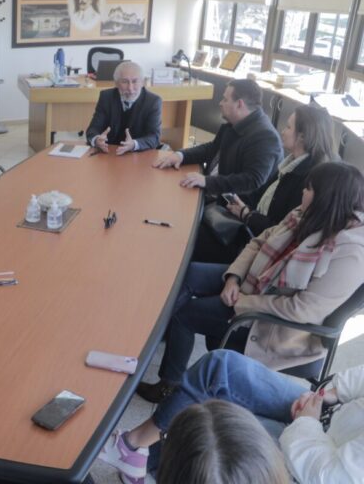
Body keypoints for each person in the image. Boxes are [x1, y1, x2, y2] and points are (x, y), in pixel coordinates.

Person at [136, 162, 364, 403]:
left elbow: (302, 309)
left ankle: (168, 386)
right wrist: (233, 278)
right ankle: (152, 336)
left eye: (309, 189)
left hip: (276, 326)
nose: (303, 192)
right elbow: (259, 242)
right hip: (255, 282)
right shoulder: (308, 214)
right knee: (189, 273)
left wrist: (243, 302)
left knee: (184, 314)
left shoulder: (350, 253)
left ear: (327, 198)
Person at [99, 350, 361, 484]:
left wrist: (308, 421)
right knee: (220, 366)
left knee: (209, 433)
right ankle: (134, 449)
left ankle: (148, 460)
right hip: (327, 416)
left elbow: (331, 476)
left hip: (312, 463)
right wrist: (328, 394)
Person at [193, 104, 337, 263]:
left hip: (258, 248)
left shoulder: (308, 180)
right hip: (251, 231)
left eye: (288, 127)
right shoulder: (289, 164)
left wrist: (247, 214)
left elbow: (282, 231)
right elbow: (260, 196)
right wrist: (237, 204)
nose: (282, 131)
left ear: (302, 136)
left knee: (191, 240)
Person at [153, 79, 283, 206]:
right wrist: (180, 155)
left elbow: (252, 180)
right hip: (214, 190)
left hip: (230, 206)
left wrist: (207, 182)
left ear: (239, 104)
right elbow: (212, 149)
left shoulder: (265, 137)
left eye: (225, 99)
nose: (220, 103)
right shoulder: (237, 122)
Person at [85, 61, 162, 155]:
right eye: (125, 82)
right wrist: (97, 140)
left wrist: (134, 144)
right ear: (116, 83)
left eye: (135, 81)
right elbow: (92, 129)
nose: (130, 88)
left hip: (137, 155)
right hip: (109, 152)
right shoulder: (106, 97)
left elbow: (154, 137)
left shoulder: (153, 101)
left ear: (142, 82)